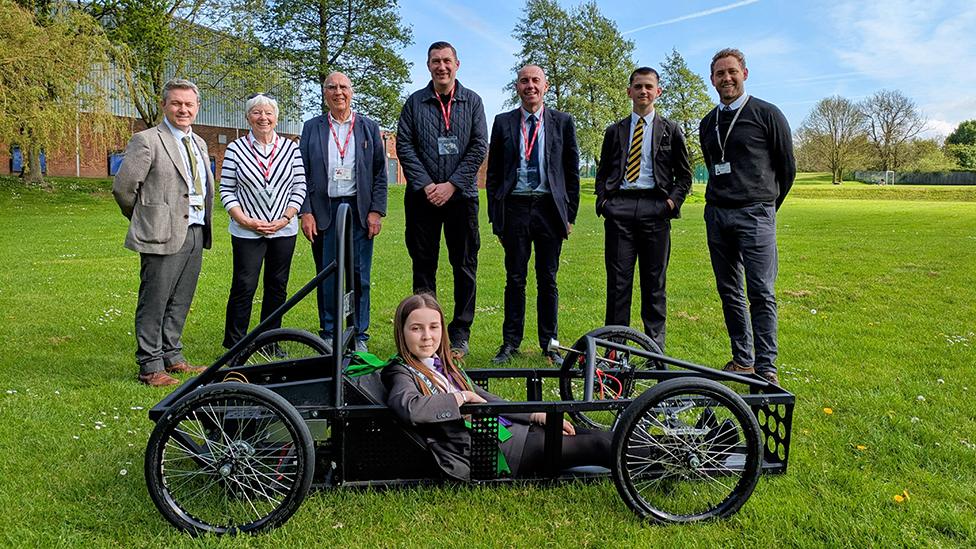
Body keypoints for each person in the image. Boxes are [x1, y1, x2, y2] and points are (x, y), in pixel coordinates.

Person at [381, 294, 610, 481]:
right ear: (401, 332)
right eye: (416, 329)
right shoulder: (399, 371)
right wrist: (461, 397)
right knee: (598, 444)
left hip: (507, 433)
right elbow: (409, 408)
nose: (427, 337)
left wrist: (535, 415)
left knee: (598, 436)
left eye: (434, 327)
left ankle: (641, 454)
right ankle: (645, 456)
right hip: (493, 451)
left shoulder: (442, 365)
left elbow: (485, 398)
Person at [698, 48, 796, 386]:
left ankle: (766, 365)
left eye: (732, 71)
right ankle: (743, 359)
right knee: (729, 291)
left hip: (756, 214)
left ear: (745, 73)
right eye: (719, 73)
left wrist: (766, 206)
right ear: (712, 80)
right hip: (718, 214)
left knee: (761, 291)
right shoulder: (707, 122)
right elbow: (713, 166)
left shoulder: (767, 114)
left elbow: (787, 167)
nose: (726, 78)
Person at [112, 78, 212, 386]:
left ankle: (173, 356)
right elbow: (124, 188)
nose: (183, 109)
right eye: (176, 103)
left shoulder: (199, 142)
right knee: (155, 300)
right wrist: (146, 217)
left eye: (189, 104)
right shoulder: (147, 140)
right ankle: (150, 365)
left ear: (197, 108)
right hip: (160, 232)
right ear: (164, 105)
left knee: (181, 298)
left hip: (195, 230)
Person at [396, 41, 488, 357]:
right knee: (424, 266)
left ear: (457, 64)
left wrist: (451, 185)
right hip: (422, 201)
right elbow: (404, 147)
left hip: (461, 198)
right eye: (435, 61)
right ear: (428, 66)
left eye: (446, 60)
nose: (441, 66)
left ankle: (459, 334)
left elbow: (479, 147)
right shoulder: (414, 103)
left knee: (464, 265)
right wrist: (426, 185)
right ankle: (426, 332)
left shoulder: (472, 102)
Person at [486, 64, 580, 366]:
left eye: (535, 80)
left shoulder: (563, 122)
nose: (530, 86)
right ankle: (510, 343)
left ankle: (550, 343)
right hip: (514, 208)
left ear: (546, 86)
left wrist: (570, 215)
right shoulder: (502, 123)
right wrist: (496, 218)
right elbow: (494, 174)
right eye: (524, 81)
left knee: (547, 279)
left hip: (549, 210)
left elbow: (571, 171)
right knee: (514, 278)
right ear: (518, 87)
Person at [594, 67, 692, 352]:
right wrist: (604, 203)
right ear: (629, 91)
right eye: (638, 86)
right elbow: (603, 173)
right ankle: (616, 349)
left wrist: (671, 203)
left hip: (656, 209)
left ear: (658, 92)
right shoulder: (615, 131)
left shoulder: (671, 130)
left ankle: (654, 350)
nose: (643, 91)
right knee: (618, 284)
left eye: (649, 86)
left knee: (654, 284)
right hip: (620, 208)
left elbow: (684, 175)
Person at [300, 72, 388, 353]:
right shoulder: (311, 127)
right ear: (324, 93)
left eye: (343, 87)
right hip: (324, 209)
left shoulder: (368, 127)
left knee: (360, 273)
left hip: (359, 210)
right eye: (332, 87)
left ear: (352, 92)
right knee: (327, 273)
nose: (338, 92)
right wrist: (306, 212)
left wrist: (376, 210)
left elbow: (379, 173)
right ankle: (328, 331)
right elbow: (301, 172)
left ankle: (359, 332)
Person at [219, 93, 307, 349]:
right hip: (247, 231)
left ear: (276, 118)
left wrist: (285, 218)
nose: (263, 118)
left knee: (277, 286)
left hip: (284, 229)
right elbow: (227, 189)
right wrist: (245, 220)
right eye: (257, 112)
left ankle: (270, 340)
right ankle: (235, 344)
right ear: (248, 117)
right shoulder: (235, 149)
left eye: (268, 113)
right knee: (244, 285)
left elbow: (300, 186)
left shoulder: (291, 149)